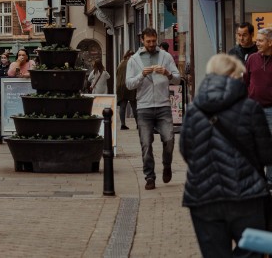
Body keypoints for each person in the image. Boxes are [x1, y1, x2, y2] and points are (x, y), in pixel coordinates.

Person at [181, 54, 272, 257]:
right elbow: (266, 156)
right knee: (253, 250)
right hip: (246, 195)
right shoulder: (250, 109)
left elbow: (187, 152)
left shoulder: (193, 111)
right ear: (232, 76)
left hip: (203, 197)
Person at [126, 27, 181, 190]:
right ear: (142, 40)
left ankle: (167, 165)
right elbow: (129, 84)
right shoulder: (134, 60)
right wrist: (141, 75)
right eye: (148, 41)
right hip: (144, 107)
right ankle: (149, 177)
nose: (151, 44)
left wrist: (167, 74)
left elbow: (178, 79)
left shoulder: (166, 57)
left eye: (153, 41)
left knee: (169, 139)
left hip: (163, 105)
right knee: (146, 143)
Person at [243, 26, 272, 186]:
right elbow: (245, 82)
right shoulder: (252, 58)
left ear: (270, 42)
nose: (257, 43)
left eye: (260, 40)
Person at [115, 49, 137, 130]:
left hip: (120, 86)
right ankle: (138, 124)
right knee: (134, 105)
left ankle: (123, 124)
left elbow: (117, 74)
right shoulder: (133, 63)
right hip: (130, 85)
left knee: (122, 106)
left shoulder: (121, 63)